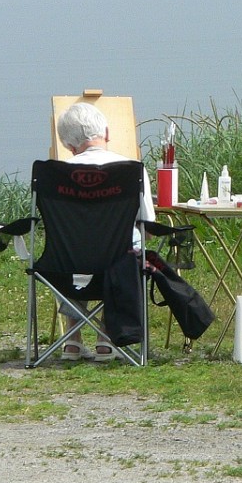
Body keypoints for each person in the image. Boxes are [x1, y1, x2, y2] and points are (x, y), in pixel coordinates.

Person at [54, 101, 155, 361]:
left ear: (68, 146)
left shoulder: (56, 175)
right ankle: (106, 338)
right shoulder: (132, 170)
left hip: (67, 268)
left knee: (72, 247)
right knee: (126, 244)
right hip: (119, 268)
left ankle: (72, 342)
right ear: (107, 133)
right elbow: (148, 225)